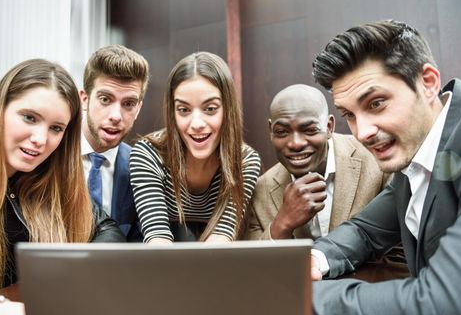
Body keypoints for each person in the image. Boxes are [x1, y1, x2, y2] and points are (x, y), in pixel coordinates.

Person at [0, 59, 125, 315]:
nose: (41, 139)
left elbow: (105, 228)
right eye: (29, 117)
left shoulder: (50, 177)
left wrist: (76, 275)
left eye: (56, 128)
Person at [310, 20, 461, 315]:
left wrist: (302, 295)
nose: (361, 132)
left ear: (427, 82)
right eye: (349, 115)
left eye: (376, 103)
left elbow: (438, 313)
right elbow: (365, 230)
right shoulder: (415, 158)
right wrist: (315, 259)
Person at [130, 51, 261, 243]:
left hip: (215, 266)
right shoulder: (148, 153)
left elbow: (221, 237)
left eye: (210, 109)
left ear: (228, 109)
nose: (197, 123)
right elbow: (157, 239)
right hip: (160, 266)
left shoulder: (244, 161)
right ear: (172, 112)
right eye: (184, 110)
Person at [245, 84, 390, 240]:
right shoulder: (260, 190)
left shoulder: (376, 160)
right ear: (271, 131)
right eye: (282, 132)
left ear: (328, 127)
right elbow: (255, 262)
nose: (295, 144)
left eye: (309, 130)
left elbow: (399, 251)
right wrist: (282, 224)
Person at [80, 45, 149, 241]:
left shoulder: (141, 169)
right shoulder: (49, 153)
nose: (116, 116)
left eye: (128, 104)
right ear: (84, 100)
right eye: (105, 99)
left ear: (138, 108)